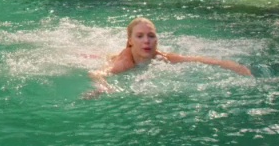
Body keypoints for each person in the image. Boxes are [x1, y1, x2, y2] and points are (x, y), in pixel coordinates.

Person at [85, 17, 251, 97]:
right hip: (114, 58)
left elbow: (197, 59)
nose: (146, 41)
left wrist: (233, 66)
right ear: (130, 41)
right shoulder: (125, 63)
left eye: (151, 36)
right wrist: (102, 87)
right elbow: (96, 73)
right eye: (140, 36)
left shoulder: (161, 57)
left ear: (157, 39)